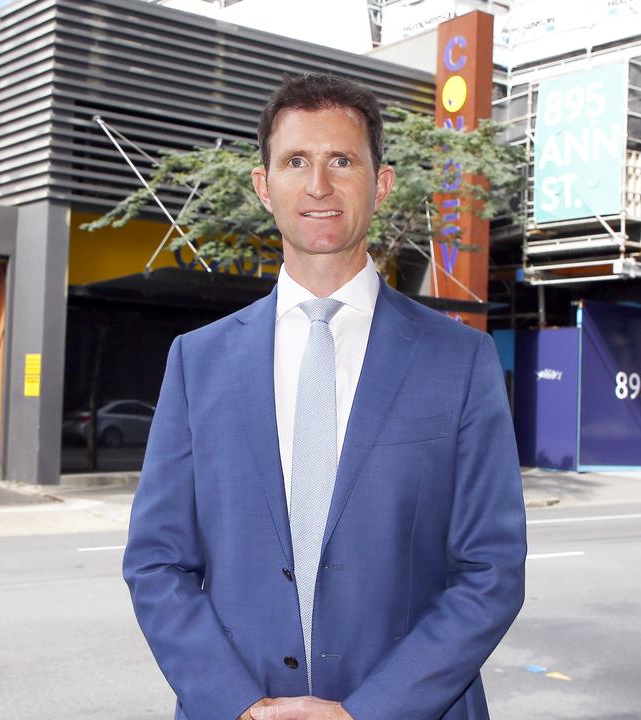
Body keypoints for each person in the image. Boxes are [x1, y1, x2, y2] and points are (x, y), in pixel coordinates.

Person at [123, 73, 527, 720]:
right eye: (295, 162)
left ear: (382, 181)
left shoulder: (459, 361)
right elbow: (156, 562)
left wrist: (366, 712)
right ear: (264, 185)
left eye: (342, 160)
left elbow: (491, 571)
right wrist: (241, 704)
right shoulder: (197, 363)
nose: (318, 185)